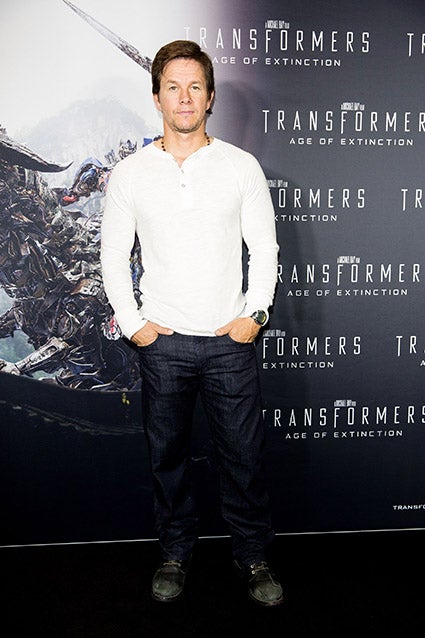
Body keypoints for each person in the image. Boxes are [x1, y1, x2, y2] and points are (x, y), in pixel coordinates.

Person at [100, 40, 283, 607]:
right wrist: (134, 324)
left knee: (244, 458)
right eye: (173, 87)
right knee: (167, 459)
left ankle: (253, 558)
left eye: (195, 87)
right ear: (157, 97)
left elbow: (265, 249)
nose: (184, 98)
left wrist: (254, 315)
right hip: (164, 343)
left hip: (230, 341)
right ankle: (175, 553)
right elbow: (113, 255)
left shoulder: (240, 166)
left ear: (210, 98)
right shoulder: (130, 174)